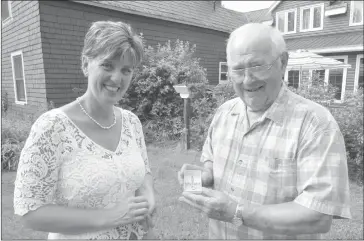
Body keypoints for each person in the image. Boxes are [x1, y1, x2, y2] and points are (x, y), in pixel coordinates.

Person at [178, 23, 352, 239]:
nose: (248, 80)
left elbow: (318, 215)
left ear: (283, 63)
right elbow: (210, 159)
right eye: (238, 69)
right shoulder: (224, 113)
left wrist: (237, 212)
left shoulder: (316, 124)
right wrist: (204, 175)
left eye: (258, 66)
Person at [13, 21, 156, 240]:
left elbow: (143, 174)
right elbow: (29, 211)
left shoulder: (132, 123)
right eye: (107, 65)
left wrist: (148, 196)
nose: (117, 78)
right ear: (85, 64)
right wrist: (108, 217)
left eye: (126, 70)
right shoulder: (52, 127)